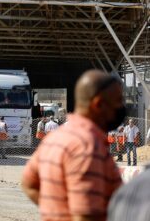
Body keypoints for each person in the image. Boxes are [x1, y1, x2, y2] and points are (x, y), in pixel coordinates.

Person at [21, 70, 124, 221]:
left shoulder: (56, 137)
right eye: (118, 100)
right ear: (98, 104)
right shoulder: (87, 147)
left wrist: (58, 213)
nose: (122, 106)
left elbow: (28, 185)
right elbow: (86, 216)